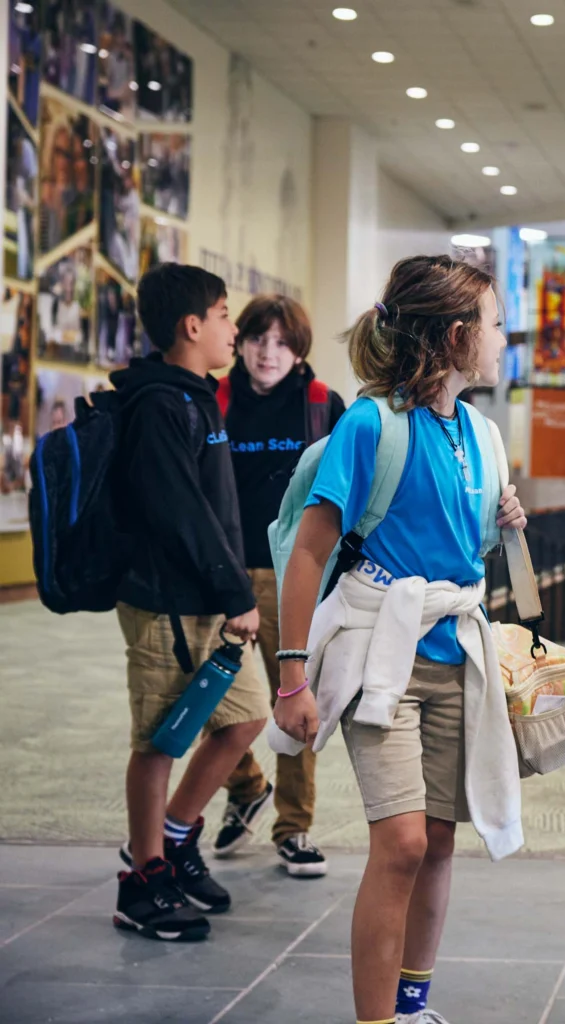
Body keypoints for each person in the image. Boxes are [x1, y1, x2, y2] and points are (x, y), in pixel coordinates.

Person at [271, 255, 527, 1024]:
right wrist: (290, 679)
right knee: (405, 844)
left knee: (442, 841)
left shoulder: (479, 431)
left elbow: (459, 548)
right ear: (455, 336)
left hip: (457, 654)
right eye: (492, 325)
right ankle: (376, 1018)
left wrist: (500, 524)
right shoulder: (368, 424)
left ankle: (412, 1004)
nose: (500, 339)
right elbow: (310, 550)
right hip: (382, 655)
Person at [109, 263, 266, 942]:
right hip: (167, 606)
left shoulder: (197, 397)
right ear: (192, 326)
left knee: (245, 718)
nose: (235, 329)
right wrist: (235, 590)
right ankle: (142, 882)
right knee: (159, 740)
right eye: (226, 314)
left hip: (210, 598)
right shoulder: (157, 406)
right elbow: (180, 514)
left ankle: (174, 837)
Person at [213, 294, 346, 876]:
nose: (269, 352)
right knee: (211, 701)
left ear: (299, 350)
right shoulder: (212, 402)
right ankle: (245, 786)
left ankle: (294, 827)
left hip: (296, 576)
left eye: (282, 342)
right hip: (223, 574)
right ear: (238, 342)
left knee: (293, 701)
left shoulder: (322, 407)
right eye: (258, 339)